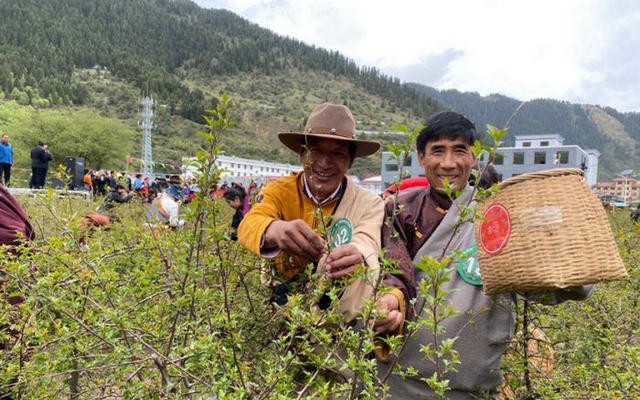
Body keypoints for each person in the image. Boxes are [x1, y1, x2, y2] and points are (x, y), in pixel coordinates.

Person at [374, 111, 593, 399]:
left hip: (469, 390)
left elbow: (547, 284)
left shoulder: (499, 216)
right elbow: (391, 272)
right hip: (395, 384)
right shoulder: (399, 212)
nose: (449, 163)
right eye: (437, 151)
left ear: (474, 157)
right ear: (421, 157)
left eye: (459, 150)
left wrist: (568, 263)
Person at [237, 103, 384, 320]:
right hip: (280, 315)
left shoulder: (369, 203)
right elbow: (249, 223)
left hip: (336, 322)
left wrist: (357, 252)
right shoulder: (279, 191)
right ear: (302, 154)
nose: (324, 163)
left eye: (337, 154)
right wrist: (274, 229)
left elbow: (368, 240)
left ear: (350, 161)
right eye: (316, 152)